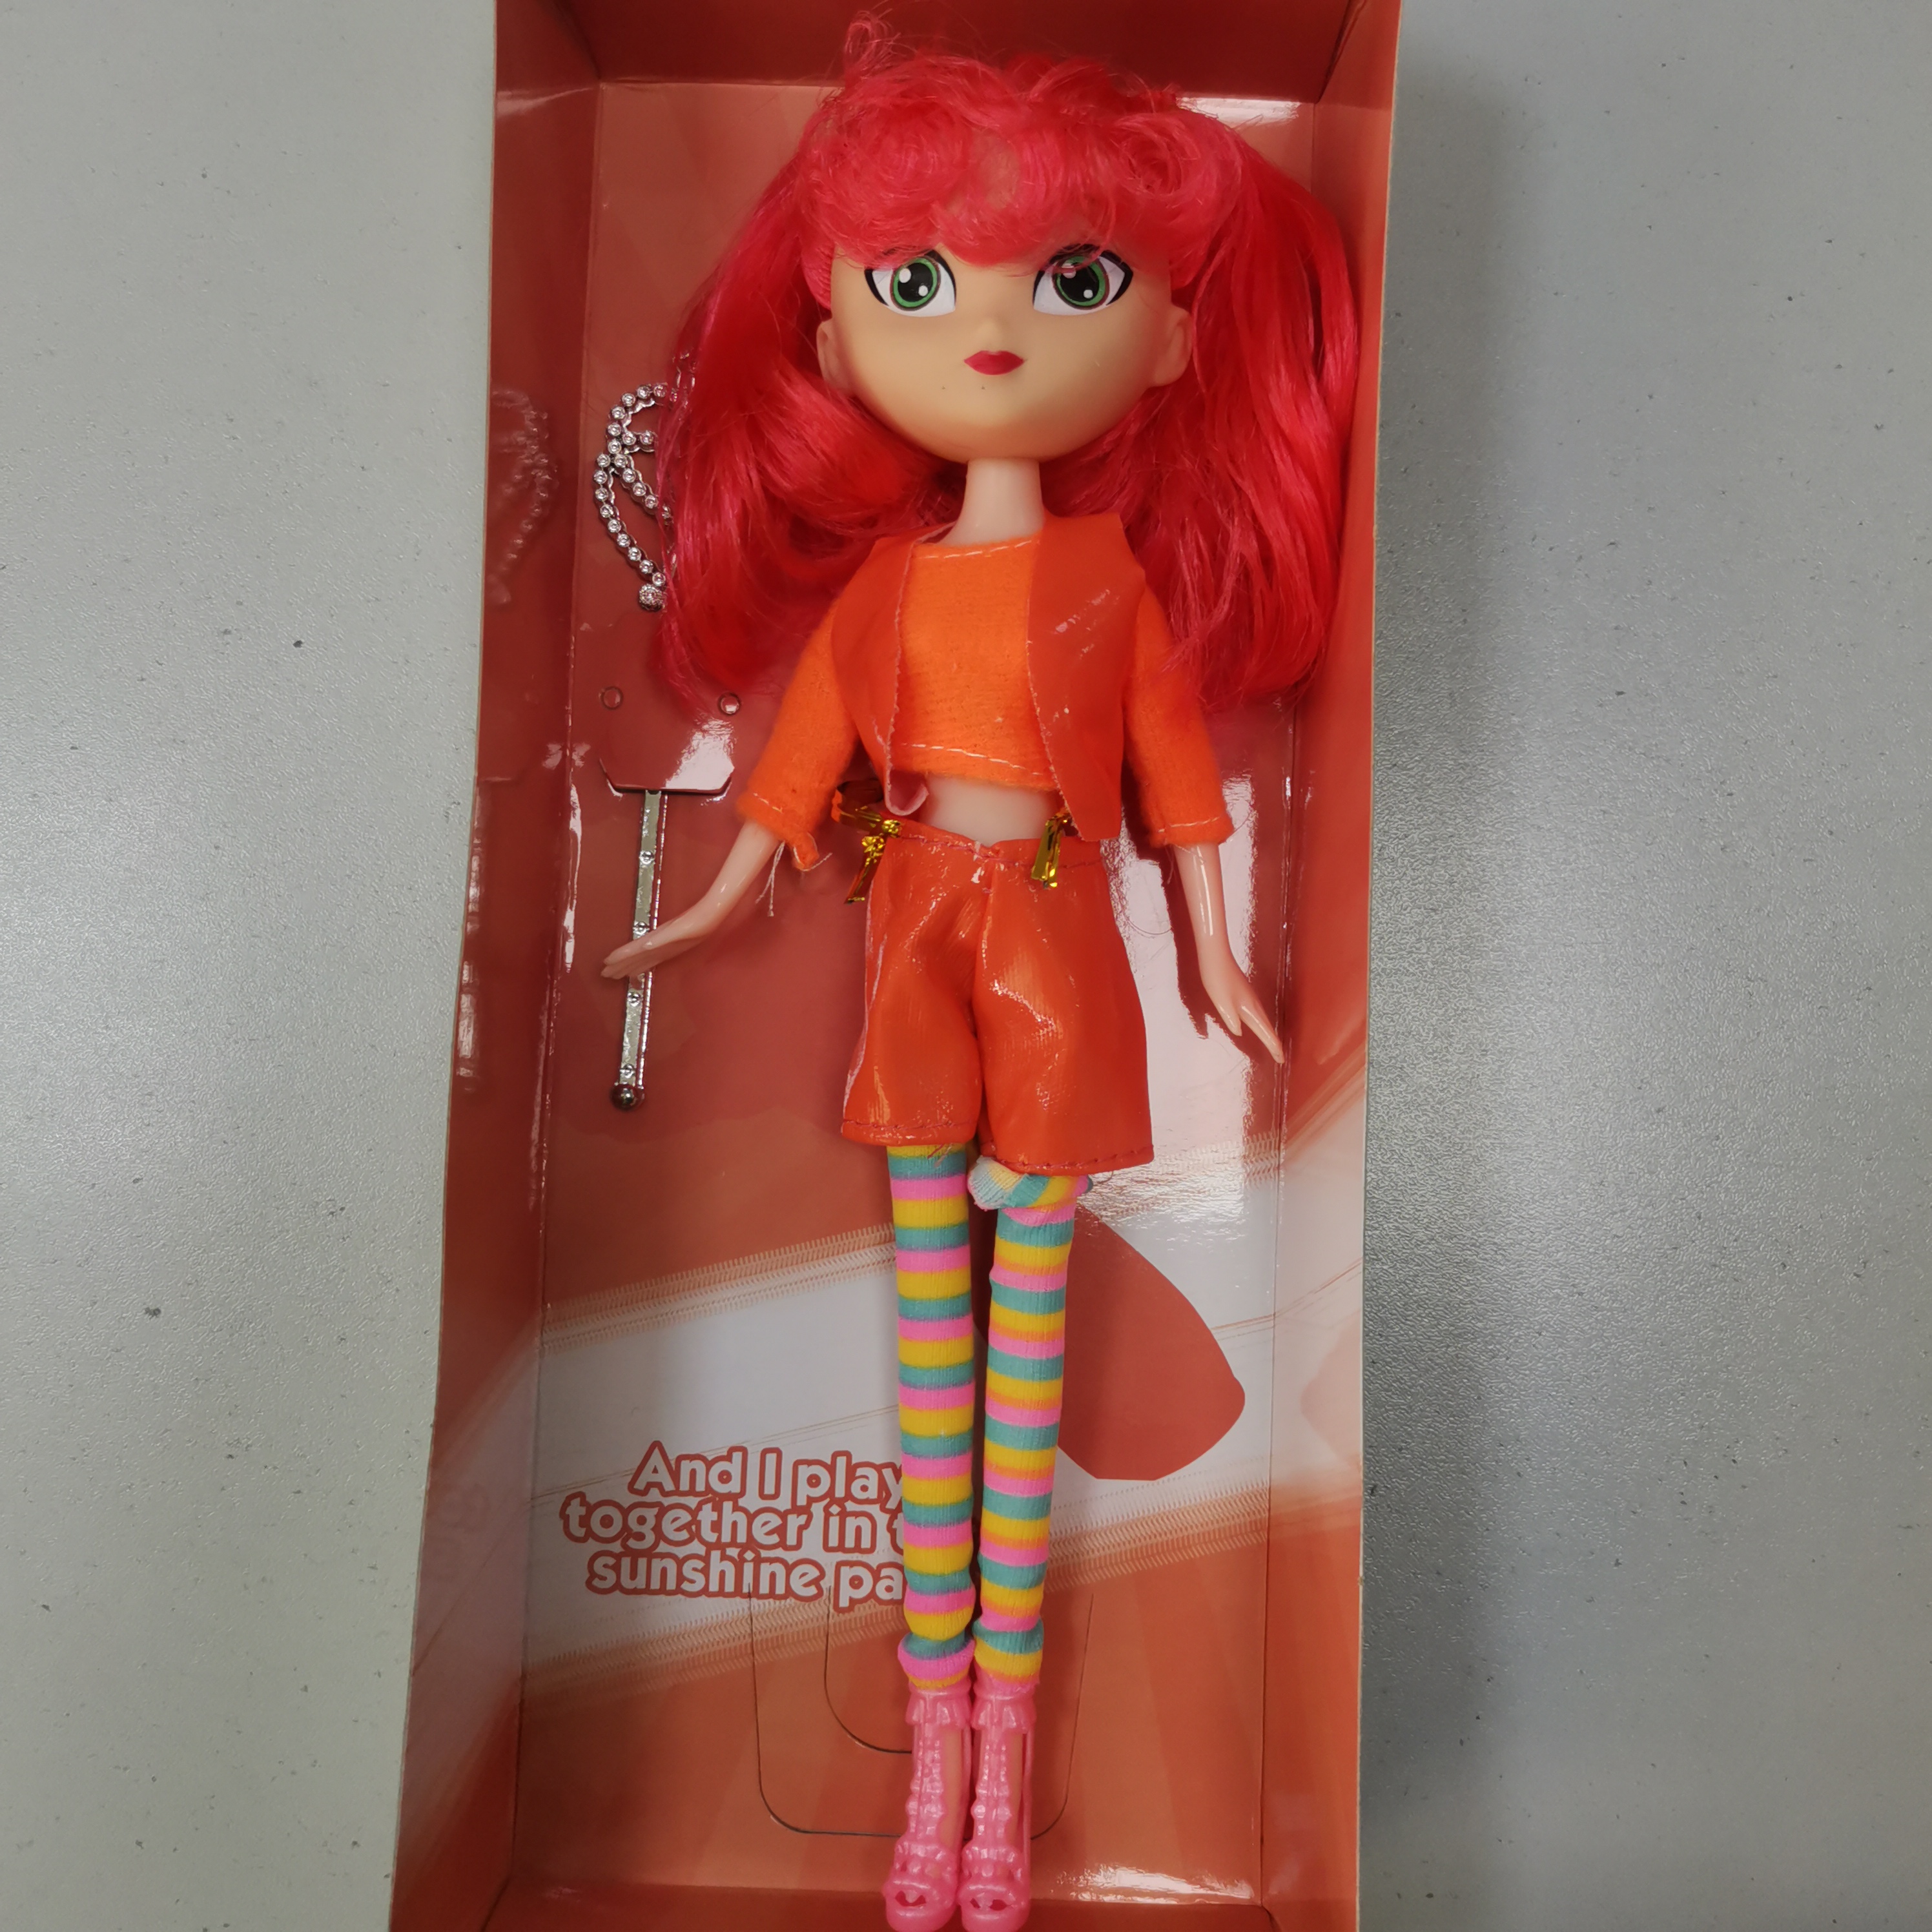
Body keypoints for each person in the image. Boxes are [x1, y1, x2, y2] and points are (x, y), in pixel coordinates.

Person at [600, 29, 1355, 1931]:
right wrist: (708, 903)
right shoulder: (887, 590)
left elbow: (1176, 785)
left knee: (1023, 1344)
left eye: (1075, 281)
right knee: (939, 1323)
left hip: (1053, 934)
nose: (994, 330)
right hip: (918, 925)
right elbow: (797, 773)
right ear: (836, 337)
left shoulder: (1108, 581)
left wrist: (1213, 948)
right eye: (919, 283)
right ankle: (935, 1746)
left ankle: (998, 1758)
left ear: (1169, 340)